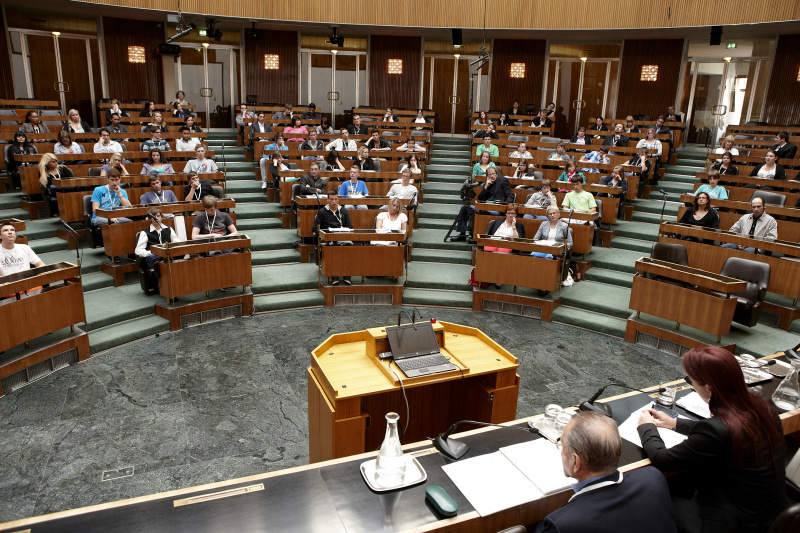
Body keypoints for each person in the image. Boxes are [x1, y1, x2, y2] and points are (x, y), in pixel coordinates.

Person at [637, 346, 787, 533]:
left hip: (732, 523)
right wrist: (674, 423)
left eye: (692, 382)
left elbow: (663, 460)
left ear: (708, 388)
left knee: (650, 499)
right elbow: (729, 431)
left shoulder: (716, 430)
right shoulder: (764, 405)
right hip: (775, 515)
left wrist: (646, 427)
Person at [536, 411, 676, 533]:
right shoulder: (653, 477)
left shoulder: (561, 524)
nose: (561, 451)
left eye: (562, 444)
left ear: (576, 462)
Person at [454, 166, 514, 239]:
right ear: (487, 176)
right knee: (464, 207)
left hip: (497, 209)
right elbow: (480, 199)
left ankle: (473, 233)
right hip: (485, 207)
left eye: (493, 174)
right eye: (489, 174)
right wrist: (486, 187)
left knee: (469, 208)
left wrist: (503, 207)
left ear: (497, 174)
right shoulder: (486, 184)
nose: (492, 176)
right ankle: (462, 233)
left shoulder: (503, 181)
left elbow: (510, 196)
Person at [314, 191, 353, 285]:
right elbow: (315, 229)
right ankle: (334, 275)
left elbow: (350, 227)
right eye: (331, 199)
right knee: (332, 249)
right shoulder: (322, 212)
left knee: (349, 247)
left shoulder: (343, 210)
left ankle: (347, 275)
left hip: (342, 237)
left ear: (338, 199)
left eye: (336, 199)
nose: (334, 201)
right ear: (327, 200)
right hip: (329, 239)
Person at [134, 207, 180, 275]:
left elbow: (177, 243)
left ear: (161, 217)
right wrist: (153, 252)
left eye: (158, 216)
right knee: (164, 255)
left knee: (167, 256)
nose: (156, 218)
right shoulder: (145, 233)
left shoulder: (168, 229)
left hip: (166, 257)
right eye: (154, 217)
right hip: (152, 258)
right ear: (150, 219)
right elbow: (138, 251)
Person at [192, 196, 238, 263]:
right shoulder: (199, 217)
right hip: (210, 244)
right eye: (207, 210)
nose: (209, 212)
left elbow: (235, 233)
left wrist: (224, 238)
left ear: (215, 207)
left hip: (224, 243)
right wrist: (212, 235)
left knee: (235, 249)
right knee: (215, 252)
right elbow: (194, 236)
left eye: (211, 210)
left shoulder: (224, 215)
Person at [372, 199, 408, 280]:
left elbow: (404, 231)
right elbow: (378, 228)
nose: (394, 208)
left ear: (399, 208)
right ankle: (376, 270)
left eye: (397, 206)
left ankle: (394, 272)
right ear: (389, 205)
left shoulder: (403, 216)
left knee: (396, 249)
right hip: (381, 238)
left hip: (395, 240)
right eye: (393, 205)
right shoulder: (381, 215)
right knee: (378, 247)